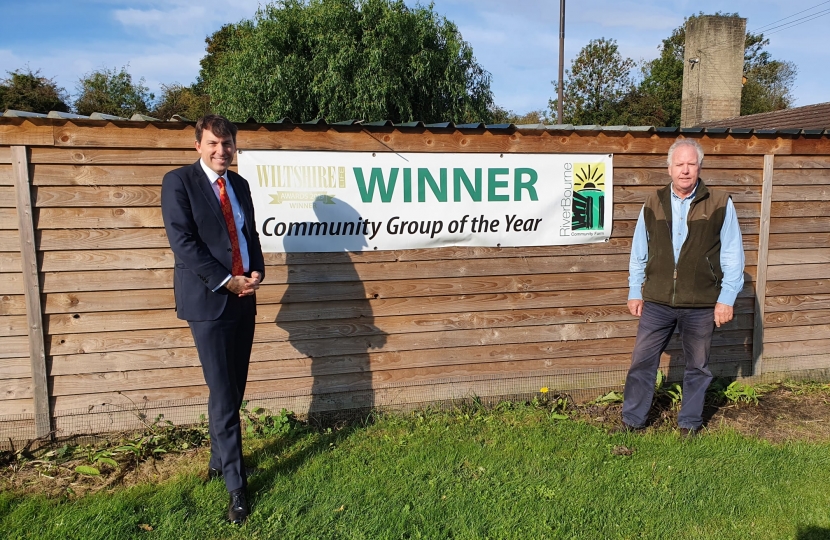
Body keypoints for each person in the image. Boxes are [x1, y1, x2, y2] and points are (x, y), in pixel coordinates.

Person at [161, 114, 264, 524]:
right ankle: (237, 489)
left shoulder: (239, 185)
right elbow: (182, 242)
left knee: (231, 388)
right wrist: (227, 281)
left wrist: (256, 272)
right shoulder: (179, 182)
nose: (222, 150)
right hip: (209, 301)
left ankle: (219, 461)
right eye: (213, 143)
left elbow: (249, 236)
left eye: (228, 143)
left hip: (244, 298)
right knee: (223, 394)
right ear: (199, 146)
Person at [614, 138, 745, 438]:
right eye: (679, 164)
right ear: (669, 168)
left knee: (697, 367)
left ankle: (689, 423)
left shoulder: (720, 202)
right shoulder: (653, 202)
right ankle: (632, 420)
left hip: (700, 304)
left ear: (699, 166)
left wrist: (726, 298)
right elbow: (639, 250)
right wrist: (635, 289)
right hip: (657, 302)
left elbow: (732, 254)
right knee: (642, 363)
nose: (685, 170)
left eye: (691, 164)